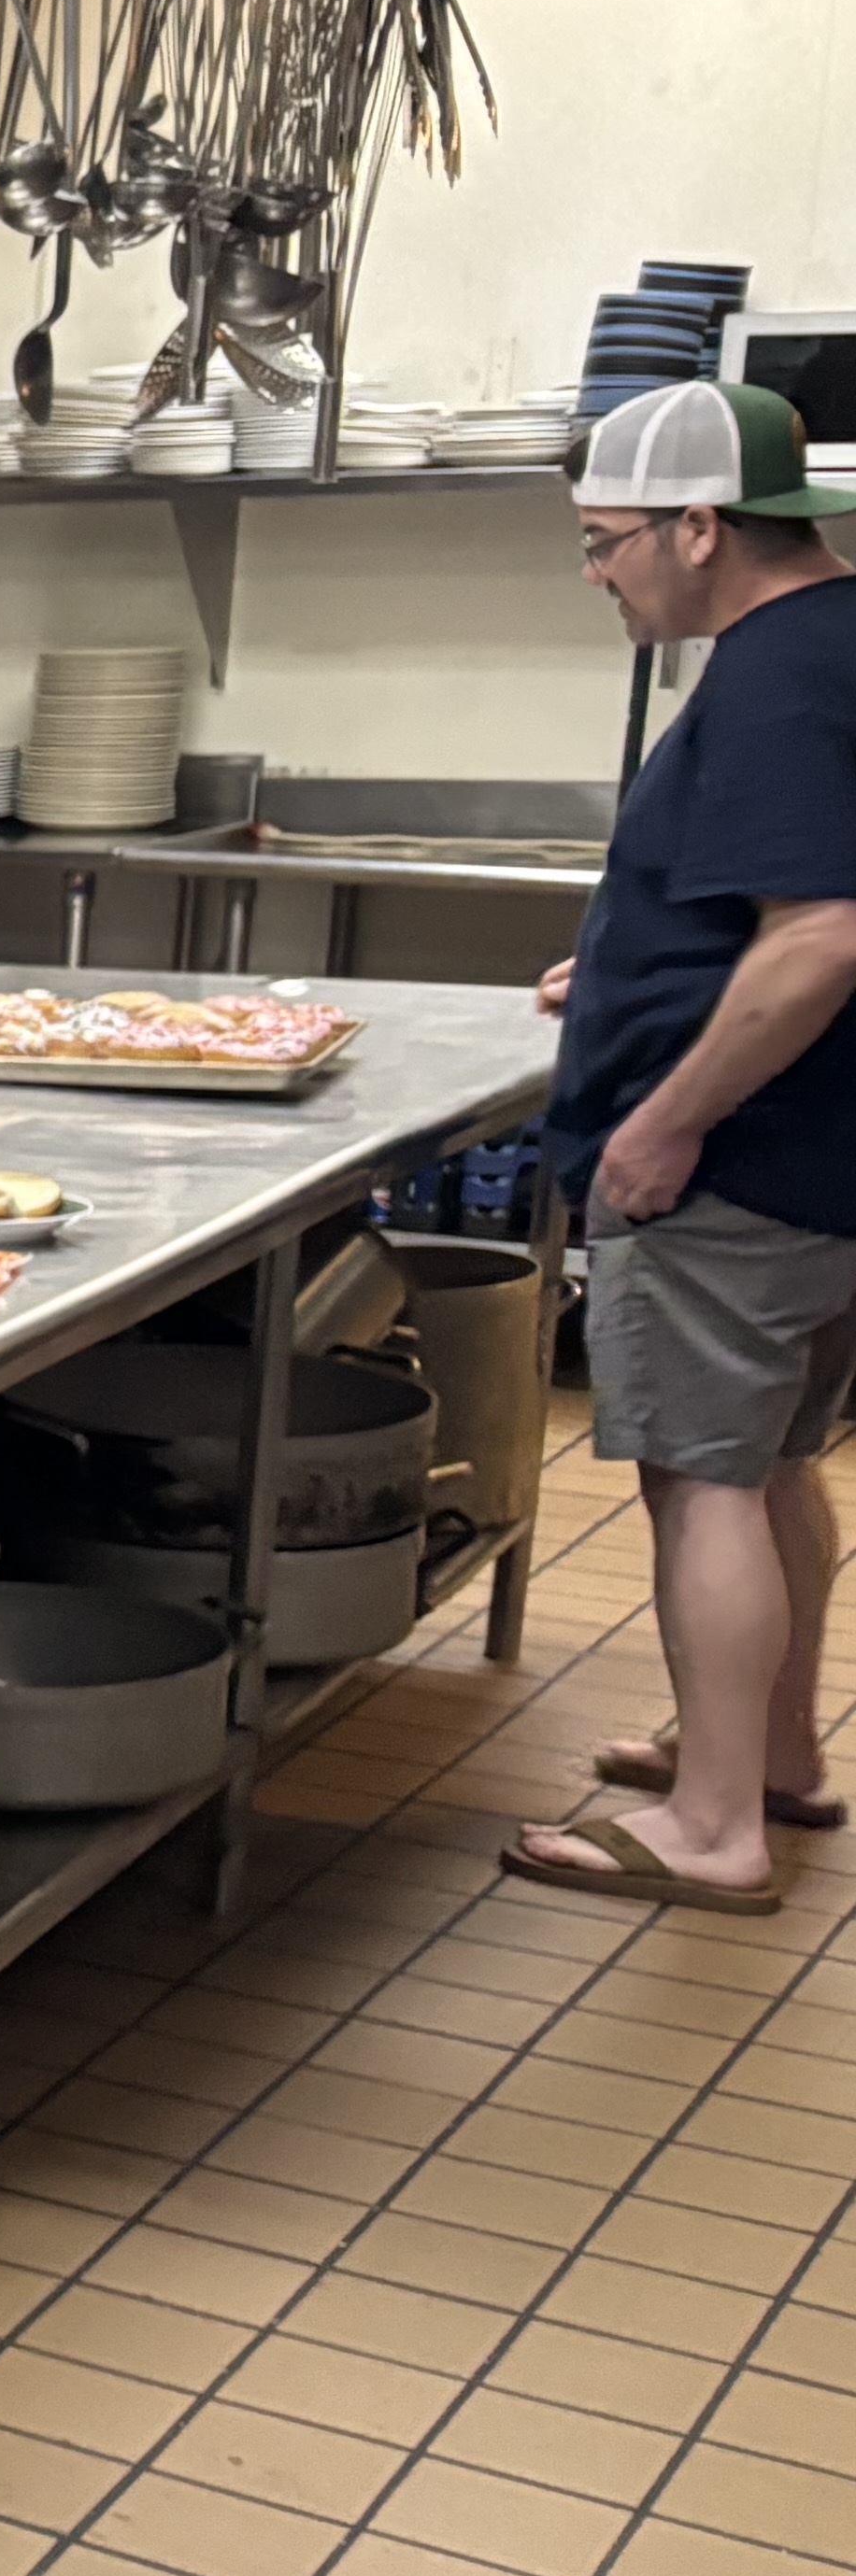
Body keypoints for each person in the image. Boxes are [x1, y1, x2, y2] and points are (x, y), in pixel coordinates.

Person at [517, 374, 856, 1915]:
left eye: (606, 544)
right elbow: (775, 915)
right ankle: (772, 1755)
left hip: (740, 1169)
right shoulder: (835, 642)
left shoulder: (778, 676)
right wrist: (642, 966)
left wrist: (662, 1118)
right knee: (778, 1458)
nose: (597, 576)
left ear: (702, 528)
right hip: (822, 1162)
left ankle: (718, 1826)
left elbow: (817, 946)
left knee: (696, 1477)